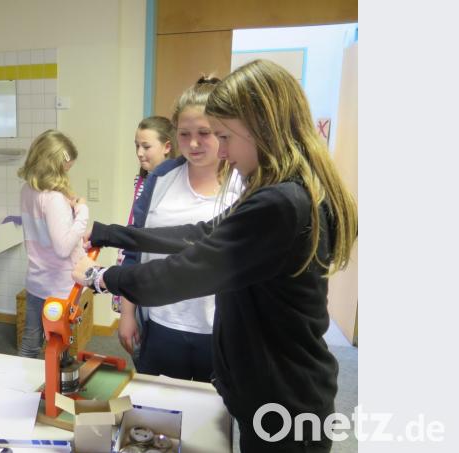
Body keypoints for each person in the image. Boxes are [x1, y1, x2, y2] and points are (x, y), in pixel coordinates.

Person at [73, 60, 358, 452]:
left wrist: (100, 278)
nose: (220, 151)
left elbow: (189, 271)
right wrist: (105, 232)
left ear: (260, 124)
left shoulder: (281, 202)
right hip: (279, 386)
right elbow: (200, 234)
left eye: (223, 136)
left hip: (284, 396)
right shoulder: (280, 190)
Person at [117, 77, 241, 382]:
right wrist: (128, 313)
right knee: (155, 411)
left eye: (204, 133)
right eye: (185, 134)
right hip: (160, 323)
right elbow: (137, 246)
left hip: (219, 329)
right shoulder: (160, 178)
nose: (194, 143)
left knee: (213, 419)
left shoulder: (244, 183)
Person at [17, 130, 88, 358]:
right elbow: (63, 248)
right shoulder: (54, 199)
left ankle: (19, 391)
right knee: (60, 347)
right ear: (56, 164)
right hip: (59, 287)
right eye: (67, 167)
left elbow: (46, 235)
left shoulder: (27, 190)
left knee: (30, 344)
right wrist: (81, 213)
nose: (67, 173)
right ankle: (57, 392)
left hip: (37, 281)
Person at [111, 116, 177, 314]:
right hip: (135, 257)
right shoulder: (141, 179)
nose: (139, 153)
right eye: (137, 146)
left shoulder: (173, 182)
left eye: (146, 147)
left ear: (167, 147)